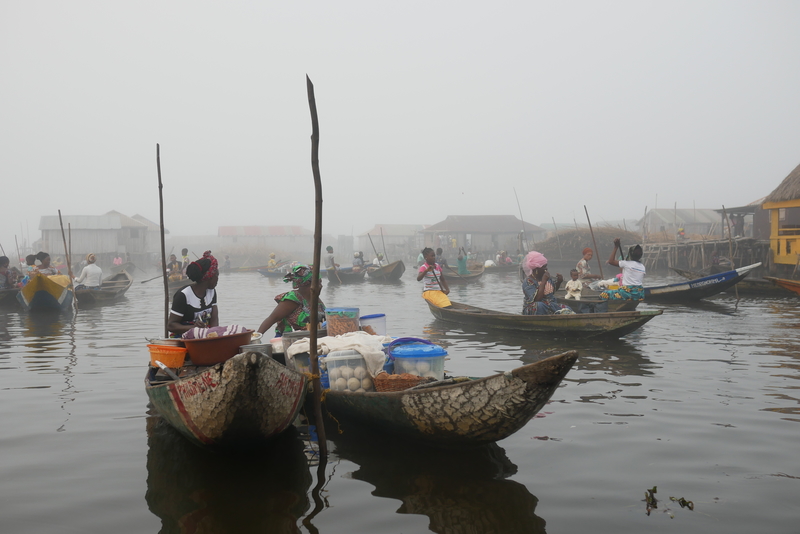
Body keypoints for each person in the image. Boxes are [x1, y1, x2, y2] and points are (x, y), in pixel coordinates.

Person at [257, 264, 326, 337]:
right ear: (309, 284)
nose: (321, 286)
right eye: (319, 282)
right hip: (293, 340)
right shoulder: (293, 298)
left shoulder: (315, 298)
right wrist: (256, 337)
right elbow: (272, 319)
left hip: (315, 338)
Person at [167, 251, 220, 336]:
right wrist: (193, 327)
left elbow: (214, 320)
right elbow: (171, 325)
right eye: (216, 275)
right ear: (209, 277)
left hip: (205, 338)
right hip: (183, 339)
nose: (217, 279)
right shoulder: (183, 295)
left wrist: (213, 335)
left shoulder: (212, 292)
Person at [521, 251, 574, 315]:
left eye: (546, 266)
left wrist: (559, 282)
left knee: (567, 309)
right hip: (535, 306)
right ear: (536, 269)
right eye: (544, 267)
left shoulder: (547, 278)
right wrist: (543, 281)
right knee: (539, 306)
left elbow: (551, 292)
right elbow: (537, 299)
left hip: (550, 304)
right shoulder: (528, 282)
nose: (546, 268)